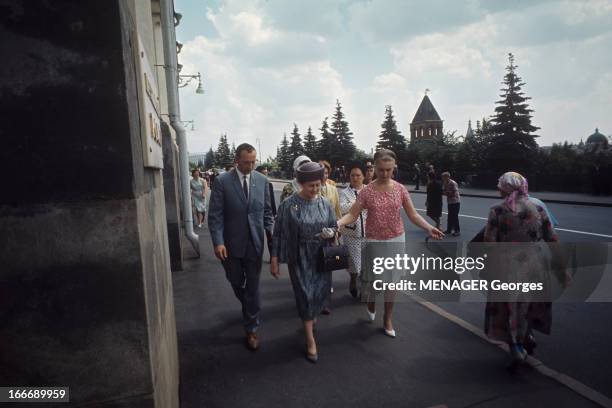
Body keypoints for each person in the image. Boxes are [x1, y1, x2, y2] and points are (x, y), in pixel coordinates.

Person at [337, 149, 444, 338]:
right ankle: (371, 302)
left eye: (389, 170)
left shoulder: (400, 189)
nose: (385, 174)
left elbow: (413, 214)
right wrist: (338, 223)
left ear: (394, 168)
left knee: (392, 282)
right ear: (375, 168)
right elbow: (353, 214)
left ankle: (387, 318)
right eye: (381, 170)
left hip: (396, 239)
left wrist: (429, 227)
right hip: (373, 240)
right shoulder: (367, 191)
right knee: (373, 282)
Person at [483, 172, 569, 366]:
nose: (498, 189)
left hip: (507, 266)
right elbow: (553, 239)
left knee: (510, 307)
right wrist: (561, 268)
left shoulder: (497, 210)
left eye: (499, 186)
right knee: (530, 305)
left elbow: (489, 244)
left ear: (505, 188)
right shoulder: (538, 207)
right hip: (536, 264)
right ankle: (526, 336)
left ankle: (516, 346)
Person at [207, 143, 274, 351]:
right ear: (237, 160)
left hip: (255, 243)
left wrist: (271, 236)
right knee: (235, 280)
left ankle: (252, 327)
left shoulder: (262, 181)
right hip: (230, 245)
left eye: (254, 162)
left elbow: (267, 213)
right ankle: (249, 305)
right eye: (247, 162)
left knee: (253, 287)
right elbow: (215, 215)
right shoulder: (222, 181)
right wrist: (218, 241)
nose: (251, 166)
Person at [271, 162, 338, 363]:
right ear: (301, 184)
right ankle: (310, 340)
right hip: (299, 256)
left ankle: (309, 317)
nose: (315, 190)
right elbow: (279, 234)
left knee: (319, 292)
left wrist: (332, 232)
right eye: (311, 186)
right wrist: (274, 260)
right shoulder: (289, 205)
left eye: (318, 185)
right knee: (305, 295)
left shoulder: (325, 203)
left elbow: (334, 226)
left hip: (320, 255)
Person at [339, 161, 367, 298]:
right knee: (354, 264)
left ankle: (364, 289)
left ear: (363, 176)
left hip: (369, 234)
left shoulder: (370, 190)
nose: (355, 178)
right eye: (352, 175)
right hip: (351, 234)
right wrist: (360, 203)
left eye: (358, 175)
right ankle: (353, 280)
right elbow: (343, 208)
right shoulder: (344, 192)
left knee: (366, 265)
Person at [257, 165, 277, 262]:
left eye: (266, 173)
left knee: (270, 236)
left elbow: (271, 200)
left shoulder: (269, 184)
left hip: (268, 214)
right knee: (257, 236)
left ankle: (272, 256)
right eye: (263, 173)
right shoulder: (253, 184)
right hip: (257, 215)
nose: (265, 175)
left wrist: (274, 213)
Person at [441, 171, 461, 236]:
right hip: (450, 202)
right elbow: (443, 191)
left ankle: (457, 231)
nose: (443, 178)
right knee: (450, 216)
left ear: (448, 177)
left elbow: (453, 193)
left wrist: (446, 193)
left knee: (455, 216)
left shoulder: (453, 183)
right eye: (443, 177)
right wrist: (446, 193)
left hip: (455, 201)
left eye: (444, 177)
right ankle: (449, 229)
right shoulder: (445, 183)